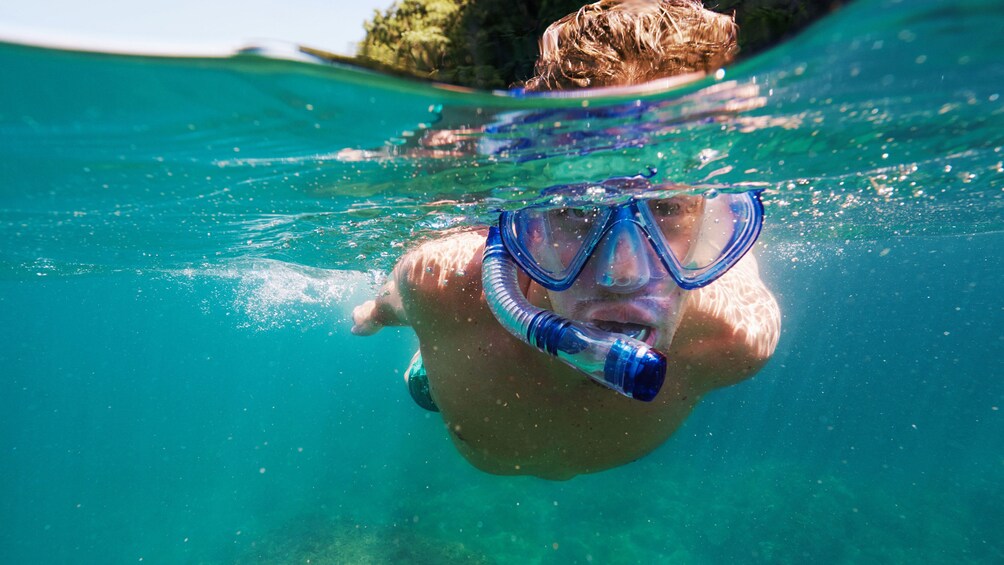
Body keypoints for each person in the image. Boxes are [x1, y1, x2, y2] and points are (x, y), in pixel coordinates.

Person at [351, 0, 780, 480]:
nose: (623, 275)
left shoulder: (734, 340)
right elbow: (398, 299)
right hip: (450, 360)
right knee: (422, 378)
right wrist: (373, 314)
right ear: (525, 225)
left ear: (717, 225)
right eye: (578, 211)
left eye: (669, 208)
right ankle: (427, 369)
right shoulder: (444, 290)